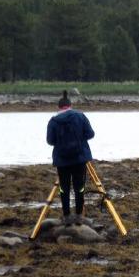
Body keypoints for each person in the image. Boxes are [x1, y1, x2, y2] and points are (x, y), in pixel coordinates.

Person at [47, 90, 95, 223]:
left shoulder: (53, 121)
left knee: (64, 188)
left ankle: (67, 215)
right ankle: (79, 215)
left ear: (59, 107)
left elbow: (50, 141)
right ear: (70, 105)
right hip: (80, 158)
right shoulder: (80, 116)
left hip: (62, 160)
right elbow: (90, 134)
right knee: (79, 187)